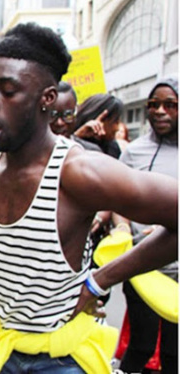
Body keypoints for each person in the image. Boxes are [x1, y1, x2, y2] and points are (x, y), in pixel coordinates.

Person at [0, 22, 177, 374]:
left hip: (65, 360)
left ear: (47, 99)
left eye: (8, 91)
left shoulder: (78, 173)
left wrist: (100, 279)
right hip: (3, 352)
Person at [116, 77, 178, 374]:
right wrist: (123, 226)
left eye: (170, 105)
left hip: (178, 272)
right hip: (142, 268)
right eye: (153, 105)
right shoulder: (133, 152)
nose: (160, 111)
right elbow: (116, 201)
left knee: (173, 351)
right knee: (140, 344)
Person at [71, 93, 124, 159]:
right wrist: (76, 137)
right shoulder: (69, 139)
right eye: (115, 121)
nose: (117, 128)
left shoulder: (113, 148)